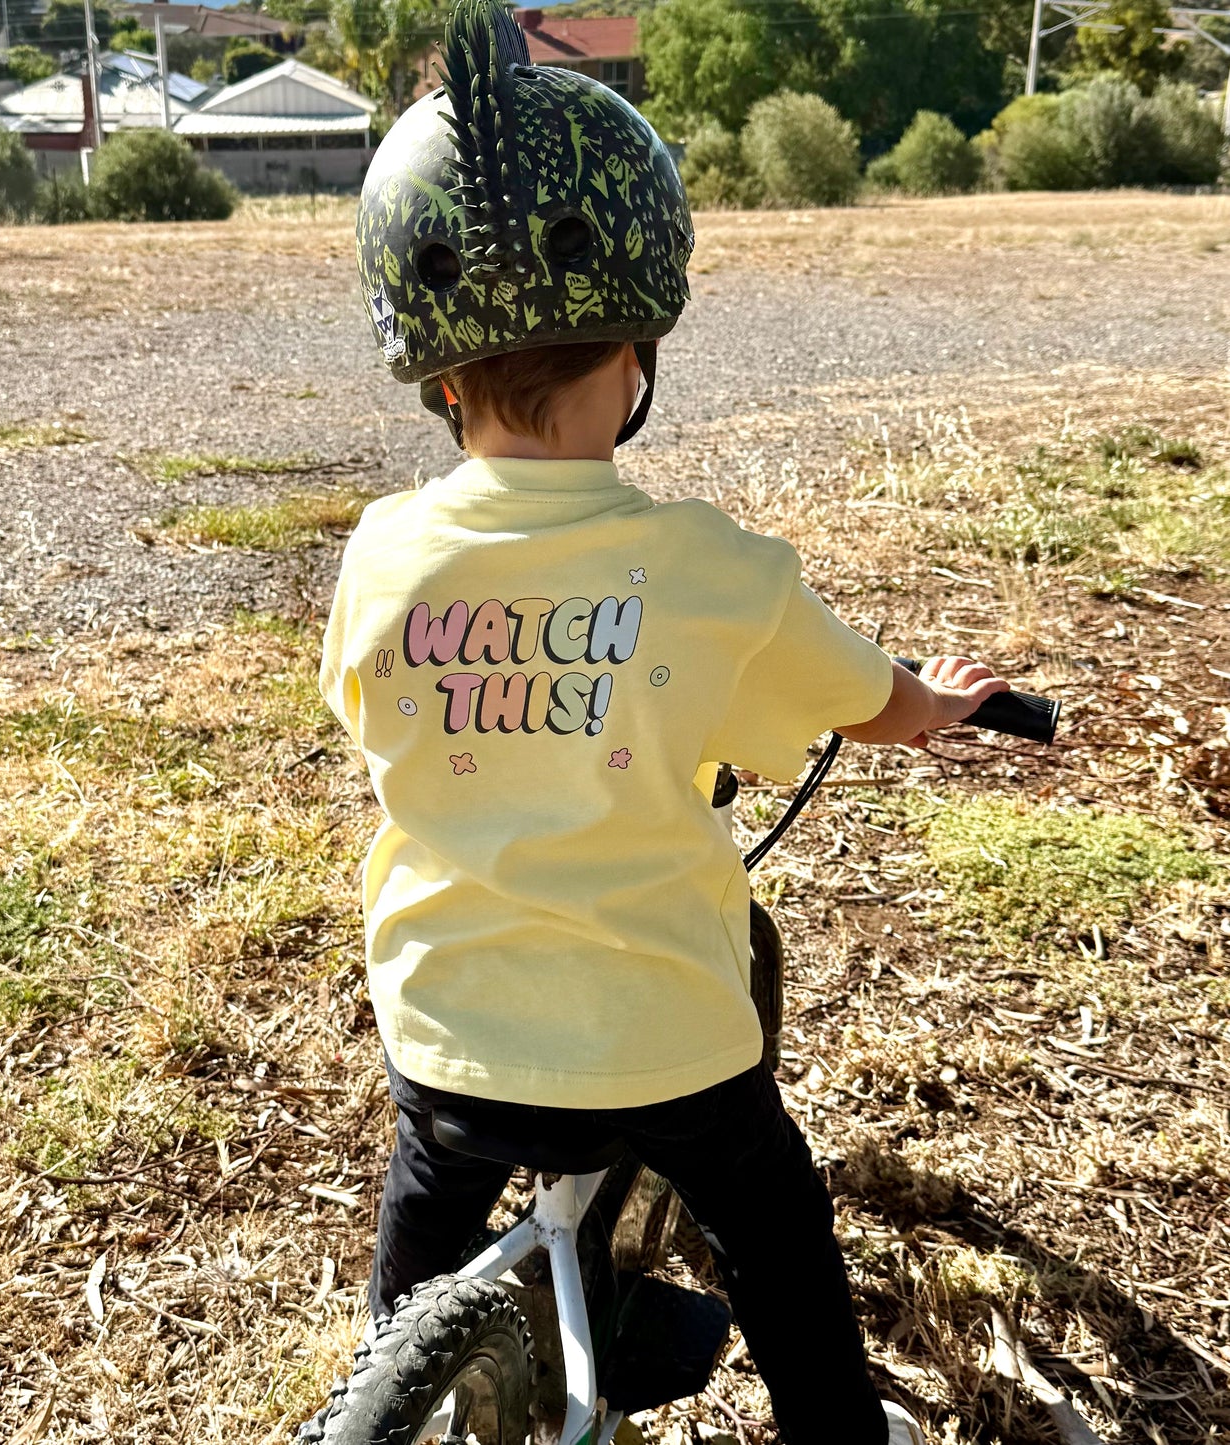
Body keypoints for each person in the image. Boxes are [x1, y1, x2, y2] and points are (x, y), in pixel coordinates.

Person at [316, 3, 1008, 1440]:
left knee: (420, 1214)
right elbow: (865, 704)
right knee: (775, 1226)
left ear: (435, 370)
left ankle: (393, 1371)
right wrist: (933, 702)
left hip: (447, 1031)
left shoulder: (379, 553)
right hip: (665, 1052)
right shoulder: (713, 574)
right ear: (637, 346)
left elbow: (365, 707)